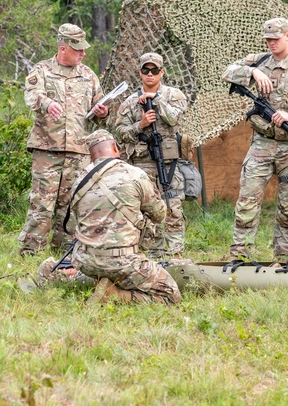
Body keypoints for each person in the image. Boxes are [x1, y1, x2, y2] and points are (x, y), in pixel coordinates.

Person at [221, 18, 288, 260]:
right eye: (268, 40)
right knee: (248, 200)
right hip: (261, 143)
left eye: (276, 39)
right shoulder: (259, 61)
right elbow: (225, 72)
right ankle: (240, 255)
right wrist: (253, 71)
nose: (271, 43)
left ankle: (283, 256)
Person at [20, 24, 109, 256]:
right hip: (47, 150)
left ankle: (64, 254)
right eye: (77, 49)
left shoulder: (88, 75)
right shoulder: (41, 70)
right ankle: (31, 252)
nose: (83, 53)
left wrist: (102, 112)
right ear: (63, 48)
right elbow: (31, 95)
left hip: (78, 151)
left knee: (70, 206)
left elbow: (99, 106)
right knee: (42, 204)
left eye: (83, 49)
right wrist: (47, 103)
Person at [68, 130, 181, 305]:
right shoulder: (135, 174)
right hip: (123, 262)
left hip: (86, 261)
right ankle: (115, 295)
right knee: (170, 295)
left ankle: (95, 280)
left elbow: (74, 223)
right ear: (114, 147)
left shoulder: (79, 180)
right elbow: (159, 215)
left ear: (91, 155)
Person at [113, 52, 189, 259]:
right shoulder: (129, 103)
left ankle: (175, 255)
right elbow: (119, 132)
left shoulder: (174, 95)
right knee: (147, 211)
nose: (150, 74)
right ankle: (152, 255)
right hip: (141, 165)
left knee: (173, 207)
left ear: (161, 72)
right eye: (145, 70)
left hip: (168, 163)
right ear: (140, 72)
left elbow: (173, 119)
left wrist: (155, 101)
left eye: (154, 70)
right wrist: (141, 125)